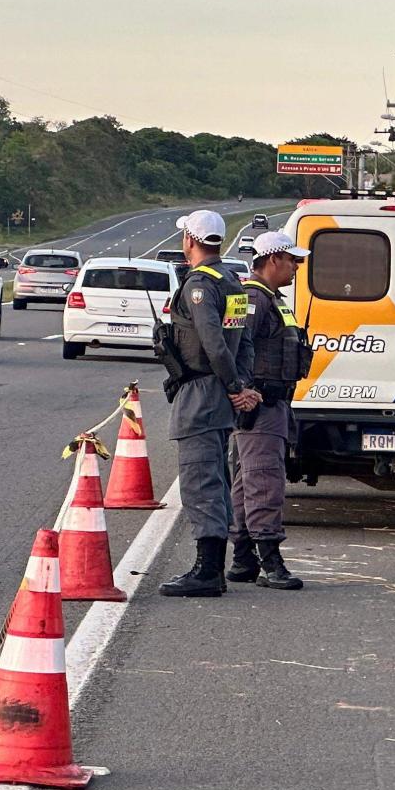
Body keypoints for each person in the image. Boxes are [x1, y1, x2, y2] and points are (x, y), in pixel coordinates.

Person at [159, 210, 259, 597]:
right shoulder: (233, 281)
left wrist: (235, 386)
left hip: (202, 392)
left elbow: (213, 342)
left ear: (190, 239)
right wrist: (241, 385)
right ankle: (213, 567)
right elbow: (244, 341)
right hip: (221, 394)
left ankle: (208, 571)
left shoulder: (200, 284)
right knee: (216, 479)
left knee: (201, 482)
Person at [226, 232, 310, 592]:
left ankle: (244, 558)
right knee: (264, 480)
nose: (296, 267)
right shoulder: (254, 300)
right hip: (260, 405)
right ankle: (269, 561)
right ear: (274, 259)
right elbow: (234, 348)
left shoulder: (269, 299)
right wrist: (243, 392)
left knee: (248, 481)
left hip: (267, 403)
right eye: (293, 260)